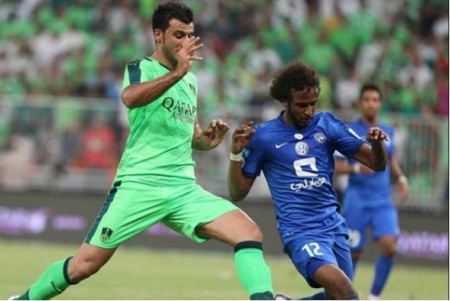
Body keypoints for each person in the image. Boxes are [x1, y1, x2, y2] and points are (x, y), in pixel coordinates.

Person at [11, 2, 274, 300]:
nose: (186, 42)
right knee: (83, 266)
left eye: (189, 35)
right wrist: (176, 73)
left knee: (248, 232)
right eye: (178, 35)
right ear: (158, 35)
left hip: (182, 188)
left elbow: (190, 135)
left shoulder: (190, 81)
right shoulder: (141, 68)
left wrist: (205, 140)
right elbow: (130, 98)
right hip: (139, 184)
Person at [228, 61, 388, 300]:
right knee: (346, 292)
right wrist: (235, 155)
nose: (309, 111)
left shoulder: (327, 124)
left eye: (313, 104)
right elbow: (238, 192)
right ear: (285, 101)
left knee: (337, 296)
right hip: (300, 231)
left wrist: (376, 144)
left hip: (334, 226)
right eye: (302, 105)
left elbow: (377, 164)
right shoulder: (263, 137)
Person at [334, 84, 409, 300]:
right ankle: (344, 295)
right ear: (359, 103)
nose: (371, 103)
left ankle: (374, 296)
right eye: (366, 99)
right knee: (352, 254)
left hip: (382, 200)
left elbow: (391, 158)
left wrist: (401, 178)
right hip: (356, 199)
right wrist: (356, 168)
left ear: (380, 103)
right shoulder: (348, 130)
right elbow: (336, 166)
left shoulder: (388, 130)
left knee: (389, 247)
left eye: (375, 99)